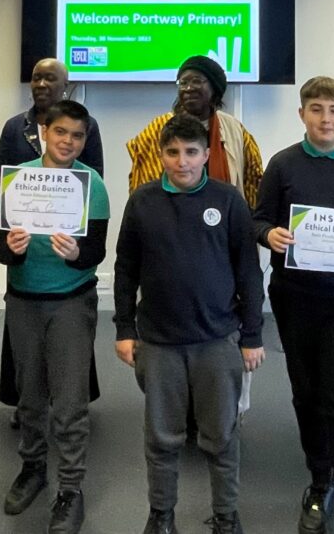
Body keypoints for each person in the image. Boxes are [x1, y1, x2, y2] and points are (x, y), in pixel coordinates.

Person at [115, 114, 264, 534]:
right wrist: (124, 329)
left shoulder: (228, 200)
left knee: (221, 437)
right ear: (161, 154)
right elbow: (125, 269)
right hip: (159, 342)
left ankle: (226, 515)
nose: (182, 161)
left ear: (206, 154)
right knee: (162, 438)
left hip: (217, 340)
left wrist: (252, 335)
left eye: (191, 152)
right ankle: (161, 515)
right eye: (173, 152)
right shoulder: (142, 202)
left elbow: (248, 270)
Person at [253, 77, 334, 534]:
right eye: (316, 109)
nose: (325, 119)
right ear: (302, 114)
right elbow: (258, 220)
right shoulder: (283, 165)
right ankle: (318, 481)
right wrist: (268, 234)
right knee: (306, 396)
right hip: (295, 299)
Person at [0, 100, 109, 534]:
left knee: (70, 401)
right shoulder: (17, 179)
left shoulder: (92, 185)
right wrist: (11, 249)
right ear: (45, 132)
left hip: (71, 302)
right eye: (61, 132)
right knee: (29, 395)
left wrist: (78, 253)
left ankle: (71, 488)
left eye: (77, 136)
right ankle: (33, 468)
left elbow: (97, 251)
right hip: (23, 299)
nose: (68, 142)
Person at [0, 58, 104, 428]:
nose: (42, 83)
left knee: (71, 367)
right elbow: (1, 178)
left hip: (70, 281)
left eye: (50, 78)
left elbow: (93, 181)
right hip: (25, 268)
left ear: (65, 84)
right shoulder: (15, 128)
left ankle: (69, 406)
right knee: (27, 373)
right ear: (45, 132)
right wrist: (16, 220)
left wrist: (73, 236)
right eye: (36, 77)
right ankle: (28, 412)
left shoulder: (89, 134)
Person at [127, 54, 262, 208]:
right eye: (183, 83)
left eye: (196, 81)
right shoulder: (158, 129)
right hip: (167, 216)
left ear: (214, 88)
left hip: (222, 217)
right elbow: (143, 191)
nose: (189, 89)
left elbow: (253, 186)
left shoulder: (235, 130)